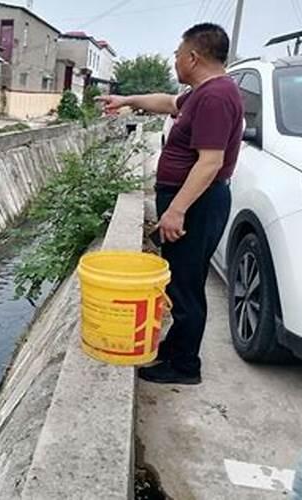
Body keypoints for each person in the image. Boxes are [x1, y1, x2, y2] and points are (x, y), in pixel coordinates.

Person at [98, 23, 244, 385]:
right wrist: (127, 100)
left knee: (186, 285)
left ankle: (184, 366)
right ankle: (175, 350)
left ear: (193, 57)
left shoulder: (214, 97)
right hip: (194, 201)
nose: (175, 60)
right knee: (180, 279)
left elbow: (209, 161)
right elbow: (167, 102)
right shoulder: (202, 92)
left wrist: (176, 210)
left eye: (178, 55)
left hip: (198, 204)